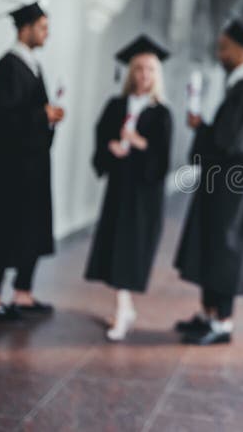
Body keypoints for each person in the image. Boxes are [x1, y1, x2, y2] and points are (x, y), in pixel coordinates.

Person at [0, 2, 64, 322]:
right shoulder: (7, 67)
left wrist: (49, 119)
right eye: (42, 27)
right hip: (8, 169)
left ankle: (23, 293)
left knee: (30, 229)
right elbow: (4, 118)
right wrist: (42, 115)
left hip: (32, 166)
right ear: (25, 28)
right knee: (3, 230)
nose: (47, 34)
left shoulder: (33, 66)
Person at [174, 19, 243, 345]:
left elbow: (231, 144)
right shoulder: (239, 89)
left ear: (242, 51)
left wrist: (201, 129)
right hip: (223, 185)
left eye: (224, 47)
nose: (220, 53)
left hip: (233, 191)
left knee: (225, 249)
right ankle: (208, 314)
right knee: (212, 247)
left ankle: (222, 322)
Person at [84, 35, 173, 341]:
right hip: (119, 189)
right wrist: (111, 146)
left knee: (129, 251)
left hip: (143, 196)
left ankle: (123, 311)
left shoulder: (161, 113)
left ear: (156, 75)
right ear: (131, 72)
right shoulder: (116, 105)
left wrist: (139, 143)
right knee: (114, 248)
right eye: (138, 69)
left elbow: (162, 158)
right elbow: (102, 136)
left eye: (149, 70)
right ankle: (124, 307)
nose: (143, 75)